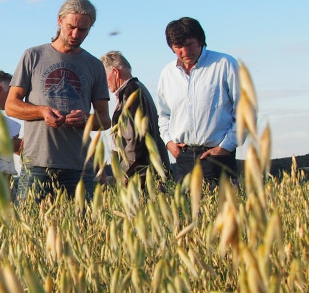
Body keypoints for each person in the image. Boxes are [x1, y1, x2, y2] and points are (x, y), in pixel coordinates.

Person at [6, 0, 111, 199]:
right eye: (71, 27)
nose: (75, 34)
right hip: (37, 164)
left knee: (80, 230)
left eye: (83, 30)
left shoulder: (94, 66)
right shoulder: (32, 56)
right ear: (59, 21)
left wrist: (85, 120)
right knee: (31, 229)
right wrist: (41, 111)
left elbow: (105, 120)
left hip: (79, 167)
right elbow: (11, 106)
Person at [154, 17, 240, 185]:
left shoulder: (225, 64)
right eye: (178, 47)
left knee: (224, 210)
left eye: (189, 44)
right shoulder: (167, 73)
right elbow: (164, 115)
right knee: (185, 211)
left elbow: (245, 111)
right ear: (171, 48)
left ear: (201, 40)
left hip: (218, 157)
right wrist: (169, 143)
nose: (185, 51)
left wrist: (225, 147)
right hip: (183, 158)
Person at [100, 51, 168, 179]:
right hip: (148, 170)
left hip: (141, 174)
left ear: (115, 72)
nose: (104, 84)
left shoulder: (131, 93)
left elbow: (136, 138)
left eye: (104, 77)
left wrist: (125, 172)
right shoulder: (138, 88)